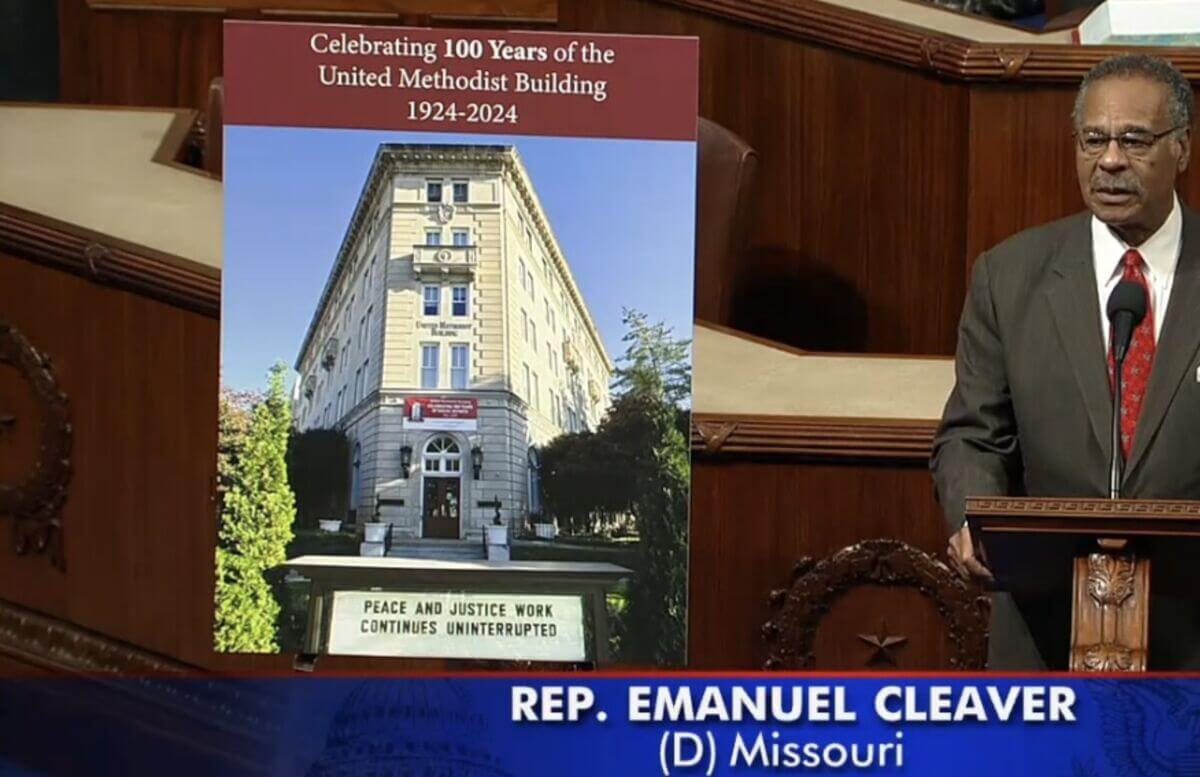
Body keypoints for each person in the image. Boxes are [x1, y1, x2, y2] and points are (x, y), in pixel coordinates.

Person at [932, 53, 1200, 670]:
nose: (1110, 159)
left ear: (1182, 148)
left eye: (1135, 140)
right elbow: (974, 432)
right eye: (1093, 139)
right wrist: (974, 513)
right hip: (1046, 633)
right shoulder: (1009, 275)